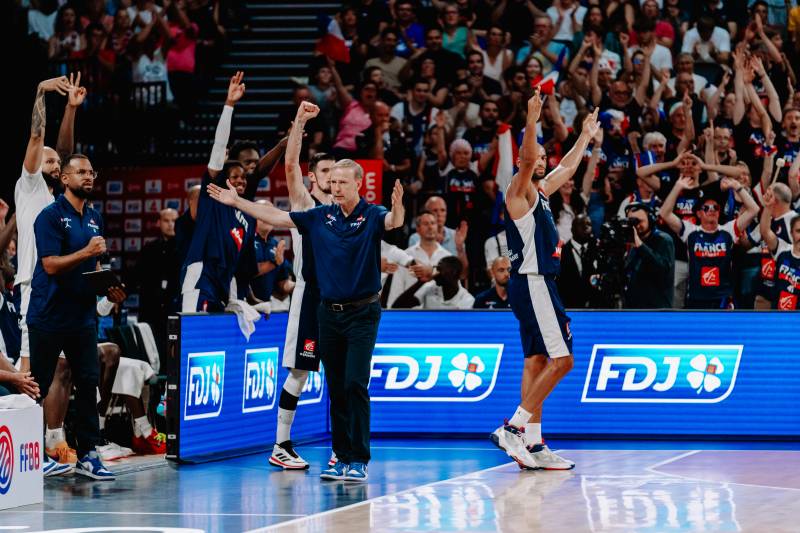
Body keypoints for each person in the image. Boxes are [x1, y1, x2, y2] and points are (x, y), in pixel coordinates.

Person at [208, 161, 405, 483]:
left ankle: (359, 459)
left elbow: (393, 222)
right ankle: (341, 457)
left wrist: (398, 208)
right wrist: (238, 202)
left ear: (358, 184)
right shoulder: (319, 216)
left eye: (343, 182)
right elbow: (278, 216)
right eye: (333, 182)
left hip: (362, 313)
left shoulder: (371, 215)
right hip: (328, 312)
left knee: (355, 383)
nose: (336, 187)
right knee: (336, 387)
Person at [491, 88, 600, 471]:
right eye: (535, 156)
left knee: (536, 360)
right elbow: (525, 160)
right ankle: (513, 428)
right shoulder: (518, 192)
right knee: (563, 360)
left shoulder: (540, 193)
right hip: (534, 281)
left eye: (543, 157)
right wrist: (531, 120)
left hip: (532, 285)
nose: (540, 161)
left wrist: (585, 136)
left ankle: (534, 446)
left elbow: (567, 168)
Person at [29, 153, 126, 480]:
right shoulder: (50, 216)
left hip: (82, 316)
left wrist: (108, 290)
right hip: (49, 314)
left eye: (91, 172)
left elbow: (93, 267)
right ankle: (33, 454)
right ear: (65, 178)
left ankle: (88, 455)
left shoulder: (95, 217)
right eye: (80, 171)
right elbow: (50, 265)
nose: (88, 176)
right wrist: (86, 251)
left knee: (88, 383)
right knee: (39, 385)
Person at [16, 74, 84, 477]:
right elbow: (38, 135)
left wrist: (72, 109)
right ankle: (27, 453)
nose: (56, 165)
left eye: (58, 164)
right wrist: (41, 91)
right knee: (32, 375)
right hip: (33, 290)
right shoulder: (28, 187)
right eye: (49, 161)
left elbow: (67, 153)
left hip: (60, 291)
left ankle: (52, 443)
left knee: (61, 369)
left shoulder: (60, 203)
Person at [269, 102, 334, 470]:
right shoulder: (305, 203)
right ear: (313, 177)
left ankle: (343, 447)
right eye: (324, 171)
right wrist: (298, 122)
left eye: (335, 172)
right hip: (310, 297)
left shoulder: (346, 210)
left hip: (339, 299)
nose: (331, 177)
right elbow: (290, 164)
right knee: (300, 371)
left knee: (342, 374)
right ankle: (281, 444)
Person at [180, 72, 257, 312]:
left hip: (225, 284)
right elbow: (219, 145)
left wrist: (243, 298)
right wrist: (229, 104)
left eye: (243, 177)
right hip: (201, 274)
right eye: (234, 176)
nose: (240, 180)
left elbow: (242, 264)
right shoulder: (213, 193)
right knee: (192, 331)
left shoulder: (250, 216)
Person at [659, 177, 759, 309]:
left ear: (719, 212)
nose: (712, 210)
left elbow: (754, 209)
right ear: (699, 213)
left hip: (722, 298)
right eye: (706, 208)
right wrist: (677, 187)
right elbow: (664, 213)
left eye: (715, 207)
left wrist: (738, 187)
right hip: (697, 297)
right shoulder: (690, 231)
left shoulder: (728, 230)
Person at [133, 208, 178, 361]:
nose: (170, 224)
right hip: (151, 313)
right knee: (149, 354)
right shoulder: (149, 249)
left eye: (174, 221)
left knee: (173, 357)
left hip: (174, 312)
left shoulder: (185, 249)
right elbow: (136, 277)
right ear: (159, 223)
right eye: (166, 220)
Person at [385, 211, 452, 308]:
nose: (430, 227)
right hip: (411, 313)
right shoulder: (405, 257)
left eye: (433, 223)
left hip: (440, 313)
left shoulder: (447, 257)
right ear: (418, 229)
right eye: (426, 224)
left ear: (437, 227)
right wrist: (392, 311)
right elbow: (396, 291)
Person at [623, 203, 675, 309]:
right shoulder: (634, 242)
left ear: (651, 220)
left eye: (639, 221)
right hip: (634, 307)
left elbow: (663, 270)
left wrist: (640, 245)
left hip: (656, 309)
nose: (636, 225)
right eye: (631, 222)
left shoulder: (664, 239)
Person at [393, 256, 475, 309]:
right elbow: (397, 306)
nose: (435, 273)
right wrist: (421, 282)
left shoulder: (467, 300)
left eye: (439, 269)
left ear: (453, 272)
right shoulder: (430, 288)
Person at [557, 214, 601, 308]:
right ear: (572, 229)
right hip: (570, 306)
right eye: (581, 224)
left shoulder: (598, 249)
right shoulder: (560, 250)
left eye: (589, 224)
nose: (586, 227)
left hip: (595, 306)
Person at [760, 212, 800, 311]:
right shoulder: (783, 249)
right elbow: (765, 231)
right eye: (798, 231)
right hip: (777, 315)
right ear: (791, 233)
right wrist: (768, 208)